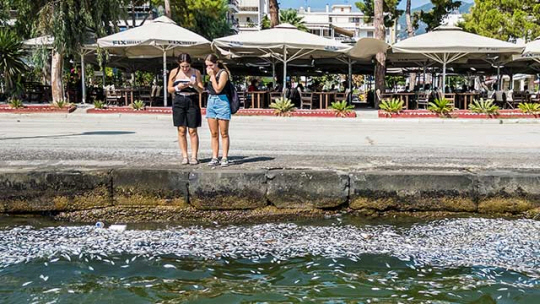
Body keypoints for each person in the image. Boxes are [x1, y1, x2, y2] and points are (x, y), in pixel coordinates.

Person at [167, 53, 203, 165]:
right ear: (179, 64)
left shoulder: (196, 72)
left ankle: (194, 156)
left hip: (192, 99)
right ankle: (184, 155)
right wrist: (178, 87)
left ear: (190, 64)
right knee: (181, 130)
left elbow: (201, 89)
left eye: (187, 66)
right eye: (183, 66)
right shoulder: (174, 72)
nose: (185, 69)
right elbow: (169, 89)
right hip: (179, 100)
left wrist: (195, 85)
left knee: (192, 130)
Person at [205, 54, 232, 167]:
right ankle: (215, 156)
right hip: (211, 101)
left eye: (211, 65)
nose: (209, 68)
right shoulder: (211, 73)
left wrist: (212, 77)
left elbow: (218, 89)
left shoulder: (223, 73)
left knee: (224, 133)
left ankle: (224, 157)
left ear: (216, 63)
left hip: (222, 102)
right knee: (214, 133)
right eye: (207, 66)